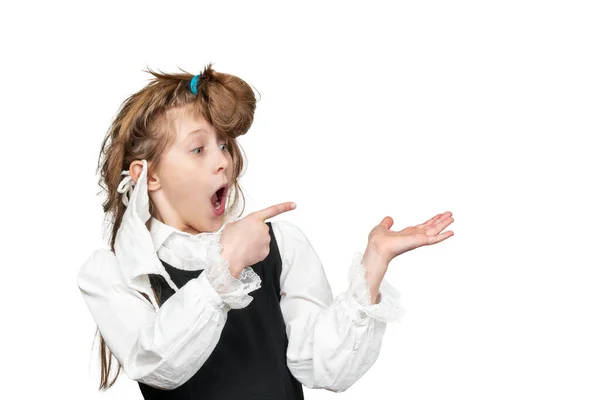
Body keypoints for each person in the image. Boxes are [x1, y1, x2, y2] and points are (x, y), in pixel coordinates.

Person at [77, 63, 455, 399]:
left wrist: (373, 265)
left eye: (224, 145)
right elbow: (158, 366)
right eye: (198, 149)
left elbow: (323, 368)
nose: (223, 161)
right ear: (149, 176)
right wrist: (225, 267)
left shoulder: (279, 246)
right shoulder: (115, 274)